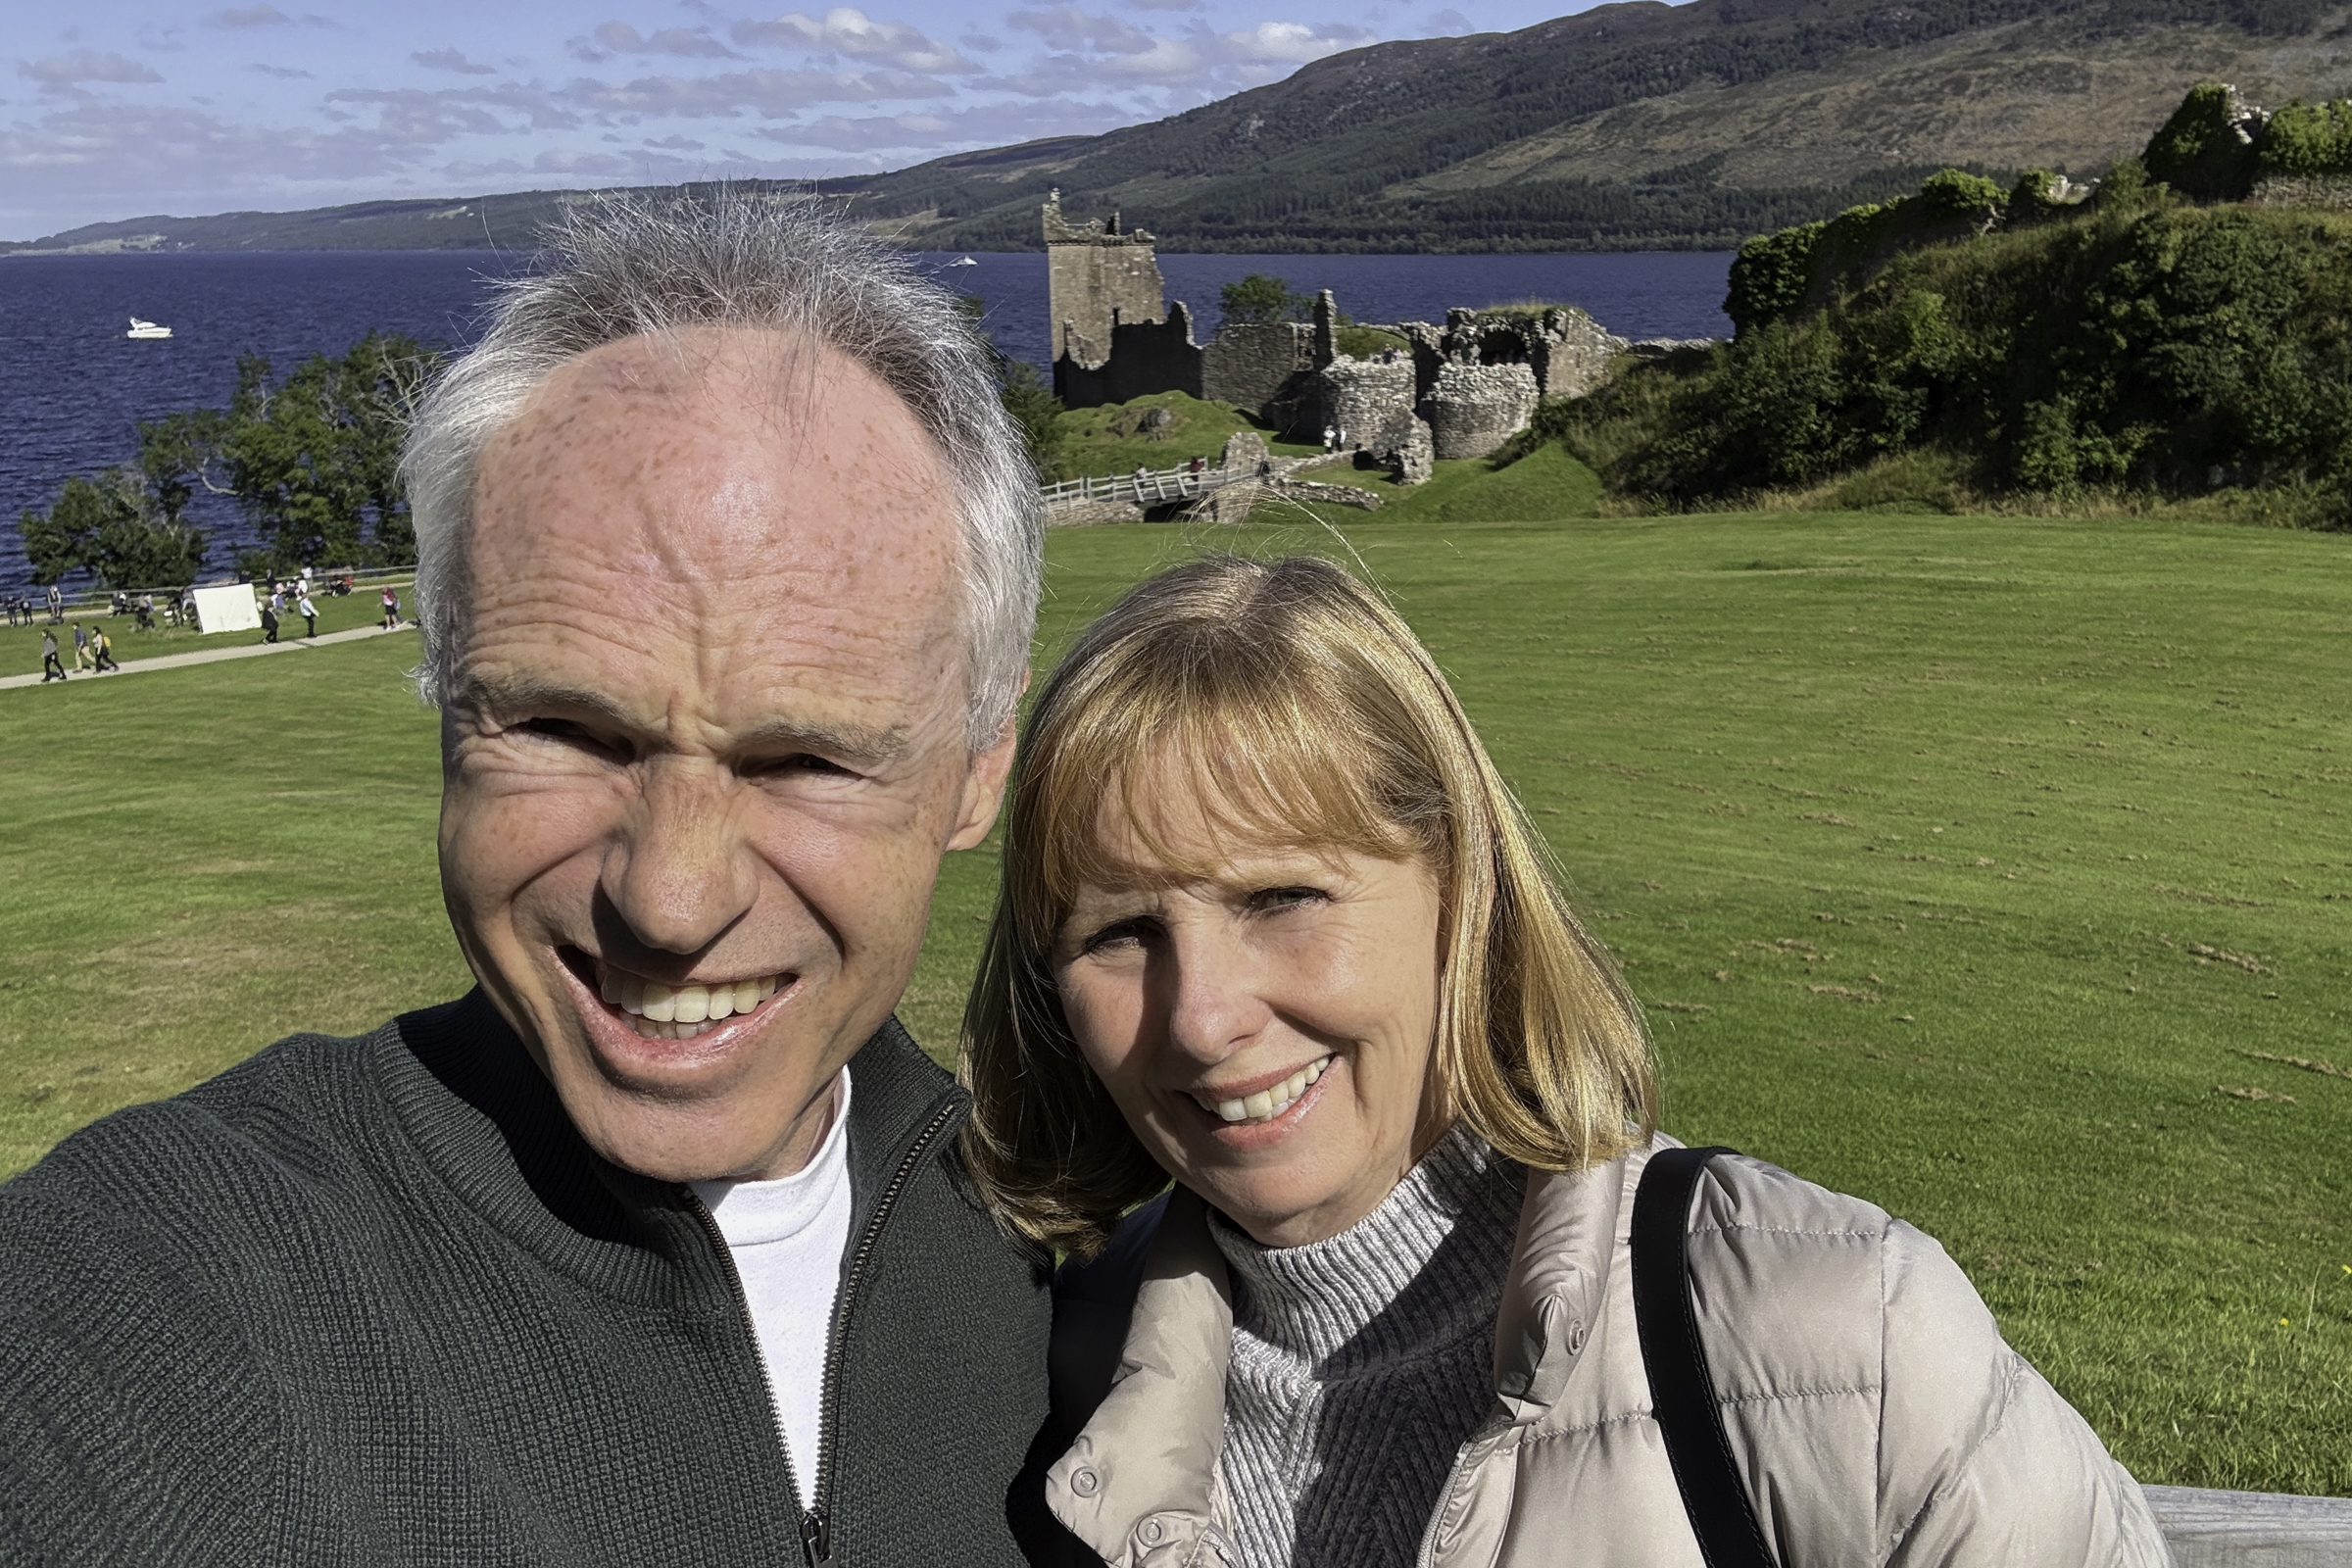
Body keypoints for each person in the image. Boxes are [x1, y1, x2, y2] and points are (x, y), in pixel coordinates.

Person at [0, 196, 1054, 1564]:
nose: (672, 903)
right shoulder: (143, 1292)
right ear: (447, 717)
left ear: (976, 771)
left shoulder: (1058, 1256)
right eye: (564, 730)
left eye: (800, 758)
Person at [962, 555, 2172, 1568]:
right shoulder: (1052, 1373)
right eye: (1119, 932)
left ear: (1462, 889)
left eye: (1282, 896)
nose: (1203, 1019)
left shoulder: (1844, 1339)